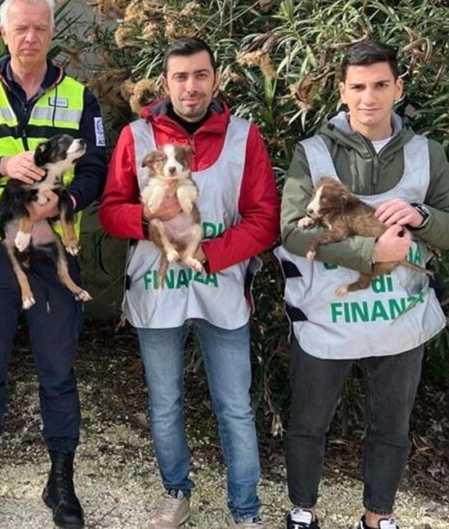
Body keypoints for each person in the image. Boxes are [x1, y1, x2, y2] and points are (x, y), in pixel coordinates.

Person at [275, 39, 449, 529]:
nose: (369, 97)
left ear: (398, 88)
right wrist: (368, 252)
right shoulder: (312, 154)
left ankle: (378, 515)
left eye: (381, 85)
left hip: (399, 320)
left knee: (392, 427)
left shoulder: (428, 154)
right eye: (358, 86)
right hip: (326, 317)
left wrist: (421, 215)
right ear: (342, 91)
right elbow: (292, 231)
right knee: (308, 422)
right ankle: (303, 510)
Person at [99, 37, 278, 529]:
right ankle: (177, 493)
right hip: (156, 291)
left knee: (235, 406)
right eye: (180, 76)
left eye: (200, 75)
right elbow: (111, 211)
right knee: (164, 402)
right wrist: (147, 216)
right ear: (165, 82)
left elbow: (265, 219)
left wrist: (212, 252)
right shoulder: (137, 137)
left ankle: (246, 511)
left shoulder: (244, 136)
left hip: (221, 287)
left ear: (216, 79)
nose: (190, 86)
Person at [0, 0, 107, 529]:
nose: (31, 37)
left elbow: (97, 171)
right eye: (21, 28)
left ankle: (60, 481)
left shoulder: (81, 97)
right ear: (4, 33)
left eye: (40, 27)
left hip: (54, 249)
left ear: (52, 32)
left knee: (57, 371)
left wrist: (65, 202)